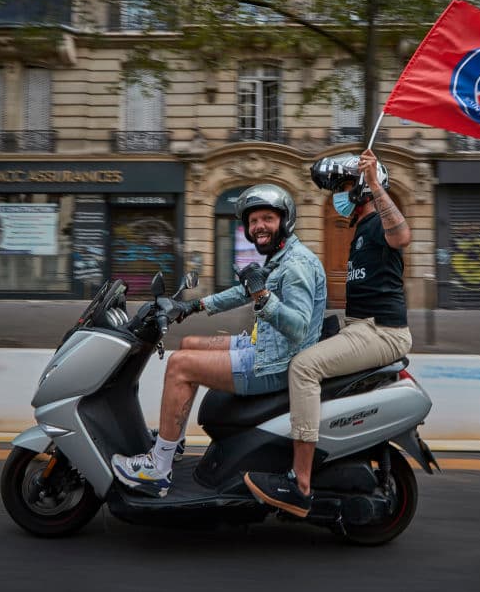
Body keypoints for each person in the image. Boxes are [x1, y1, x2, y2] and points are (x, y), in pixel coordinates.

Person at [111, 183, 327, 497]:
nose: (258, 227)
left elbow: (297, 325)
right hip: (267, 346)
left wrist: (264, 297)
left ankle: (157, 468)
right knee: (189, 345)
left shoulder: (296, 266)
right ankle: (174, 439)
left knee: (180, 365)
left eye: (267, 218)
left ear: (285, 220)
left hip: (276, 364)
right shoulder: (281, 256)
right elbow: (242, 292)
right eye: (253, 222)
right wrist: (192, 307)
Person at [243, 148, 414, 518]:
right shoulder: (358, 230)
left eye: (344, 186)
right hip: (359, 327)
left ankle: (299, 482)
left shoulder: (378, 224)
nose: (337, 195)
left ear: (363, 189)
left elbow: (402, 235)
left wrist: (375, 186)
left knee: (304, 367)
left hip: (382, 333)